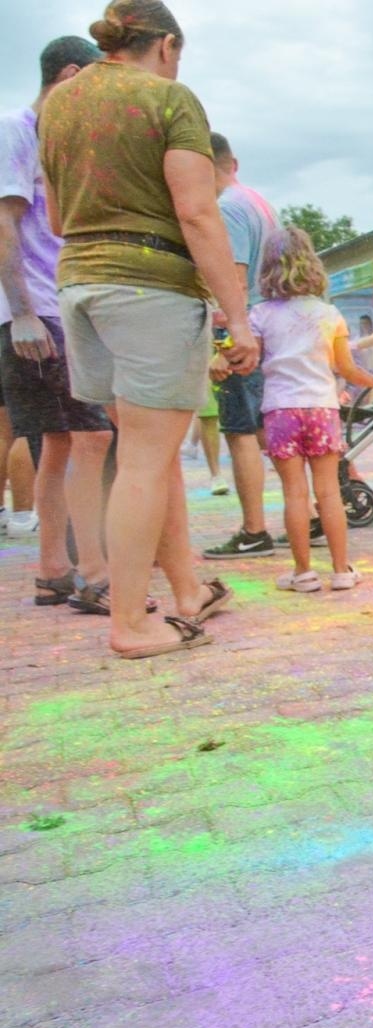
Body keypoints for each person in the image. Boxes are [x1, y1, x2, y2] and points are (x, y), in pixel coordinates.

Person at [41, 0, 253, 658]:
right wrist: (237, 315)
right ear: (165, 46)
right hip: (150, 288)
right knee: (143, 460)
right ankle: (130, 623)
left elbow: (53, 218)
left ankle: (186, 591)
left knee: (145, 452)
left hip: (80, 283)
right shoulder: (170, 99)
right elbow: (196, 211)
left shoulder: (60, 104)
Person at [0, 35, 118, 604]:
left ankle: (53, 569)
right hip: (37, 312)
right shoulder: (15, 129)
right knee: (93, 433)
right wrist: (22, 313)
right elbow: (4, 221)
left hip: (55, 306)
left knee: (60, 442)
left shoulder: (56, 142)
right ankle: (94, 574)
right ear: (70, 74)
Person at [250, 227, 373, 592]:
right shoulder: (329, 314)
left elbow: (249, 361)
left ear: (268, 267)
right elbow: (346, 370)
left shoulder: (260, 314)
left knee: (294, 493)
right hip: (322, 409)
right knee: (329, 491)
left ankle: (303, 573)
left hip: (281, 411)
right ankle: (341, 571)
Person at [201, 131, 280, 561]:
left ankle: (254, 530)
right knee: (269, 431)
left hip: (244, 331)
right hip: (268, 326)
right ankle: (306, 517)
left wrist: (225, 344)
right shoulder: (260, 202)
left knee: (241, 431)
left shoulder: (227, 209)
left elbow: (233, 279)